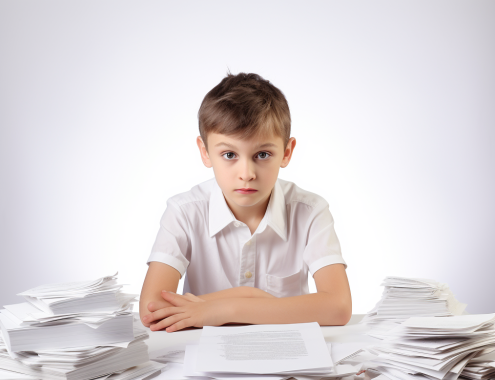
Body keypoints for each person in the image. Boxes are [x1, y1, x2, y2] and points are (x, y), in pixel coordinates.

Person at [139, 72, 352, 333]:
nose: (247, 173)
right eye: (229, 154)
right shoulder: (184, 212)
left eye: (262, 154)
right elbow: (153, 309)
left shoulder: (310, 212)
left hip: (289, 354)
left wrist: (224, 309)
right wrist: (252, 297)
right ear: (205, 152)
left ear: (286, 152)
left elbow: (339, 307)